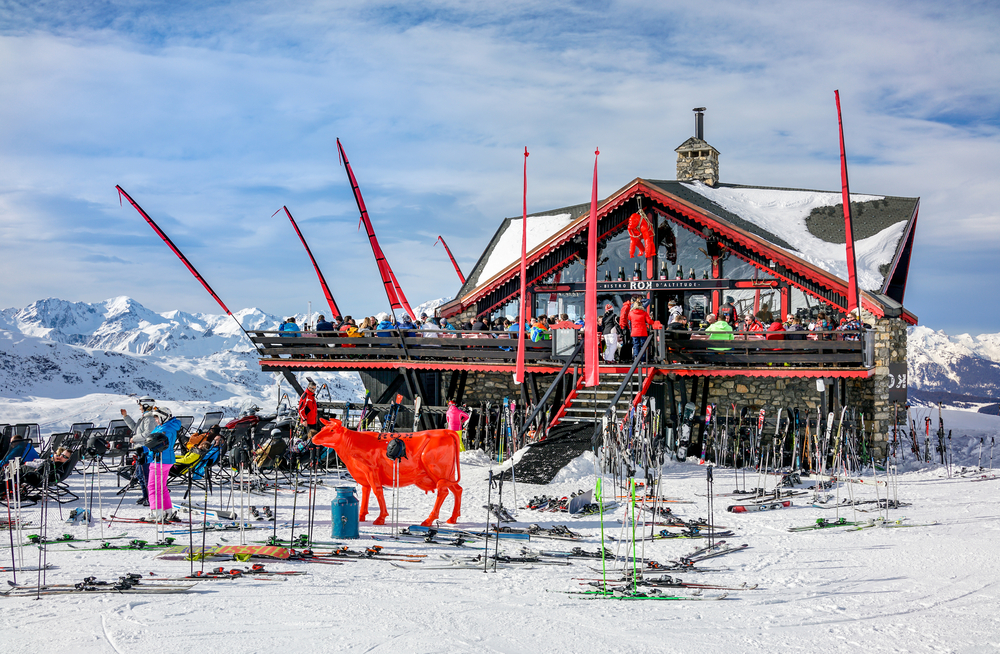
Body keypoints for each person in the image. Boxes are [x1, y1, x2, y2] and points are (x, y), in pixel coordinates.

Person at [121, 396, 168, 506]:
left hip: (145, 450)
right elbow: (135, 428)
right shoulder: (144, 418)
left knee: (145, 475)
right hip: (139, 449)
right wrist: (125, 417)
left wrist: (134, 439)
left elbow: (147, 434)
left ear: (146, 405)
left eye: (140, 406)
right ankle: (145, 496)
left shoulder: (150, 419)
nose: (139, 408)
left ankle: (149, 498)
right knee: (140, 474)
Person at [146, 415, 181, 522]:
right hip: (167, 460)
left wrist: (146, 454)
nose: (156, 421)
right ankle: (167, 511)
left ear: (163, 417)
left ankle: (156, 513)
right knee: (161, 487)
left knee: (152, 487)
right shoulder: (170, 427)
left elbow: (154, 444)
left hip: (159, 459)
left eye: (157, 418)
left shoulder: (165, 429)